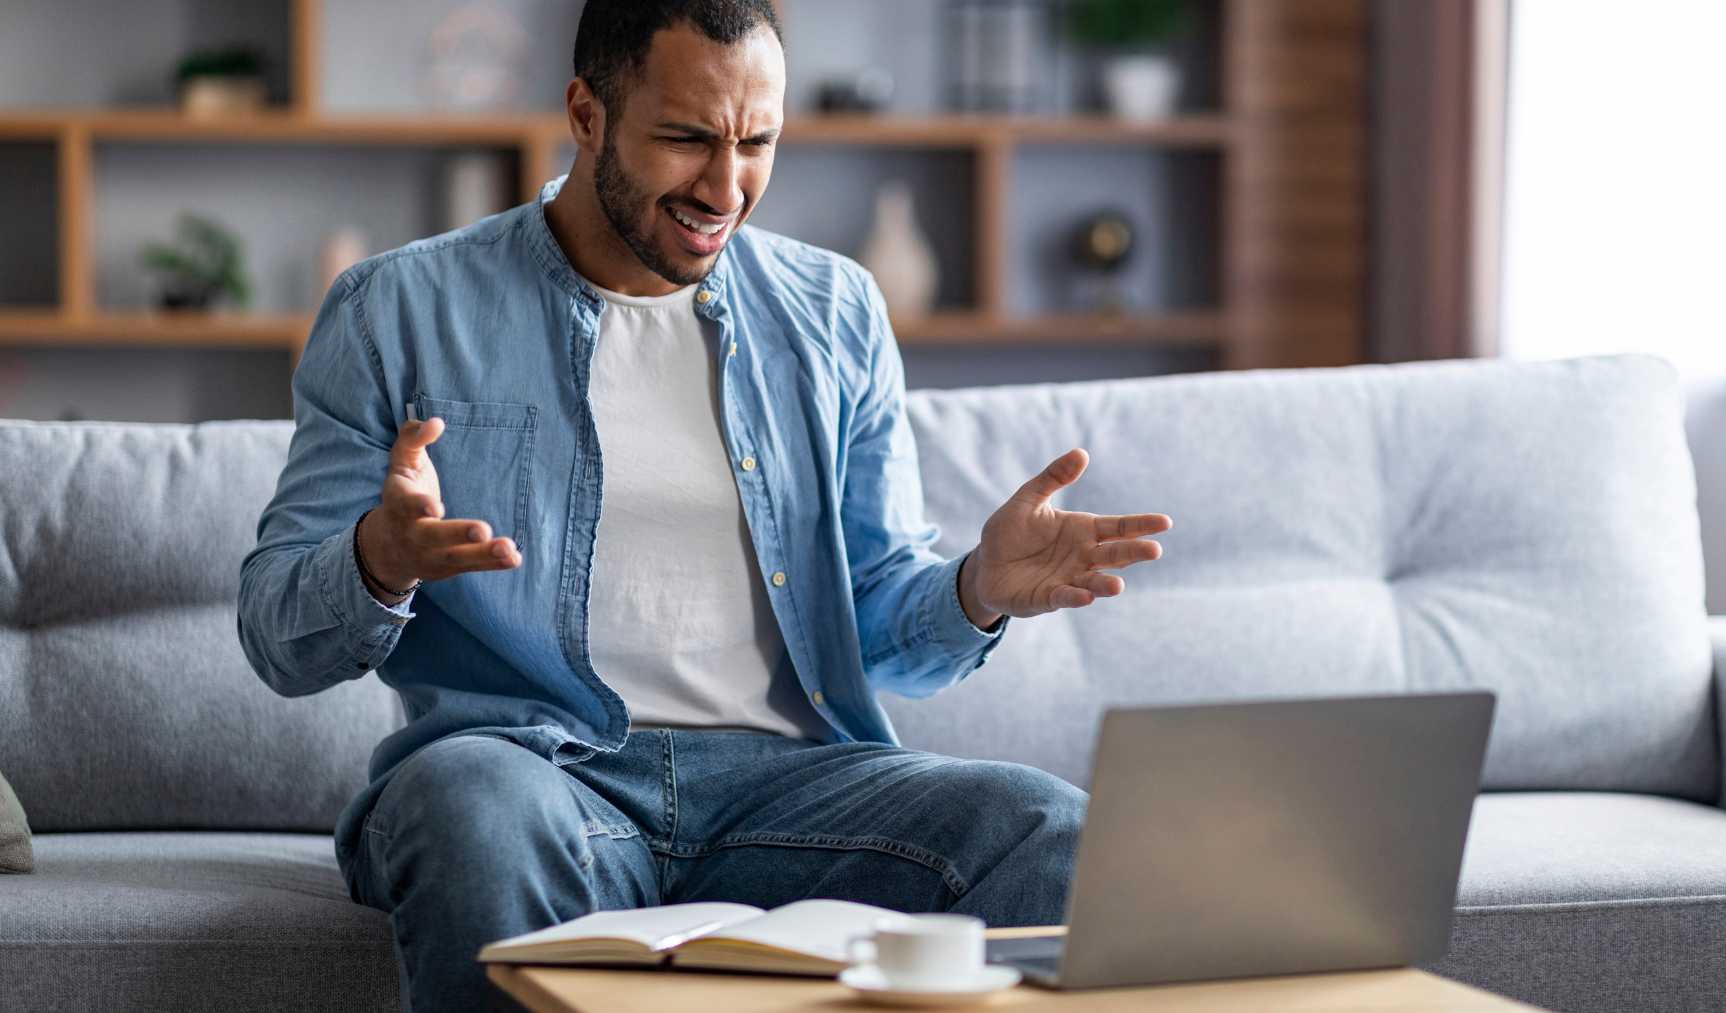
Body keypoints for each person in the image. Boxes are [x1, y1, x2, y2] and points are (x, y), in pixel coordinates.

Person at [237, 2, 1172, 1008]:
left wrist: (977, 589)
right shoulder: (397, 310)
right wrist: (381, 556)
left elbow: (882, 630)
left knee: (1051, 826)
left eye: (757, 142)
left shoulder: (836, 310)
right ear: (586, 114)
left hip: (792, 789)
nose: (726, 186)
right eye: (686, 138)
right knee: (468, 804)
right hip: (539, 772)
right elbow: (278, 636)